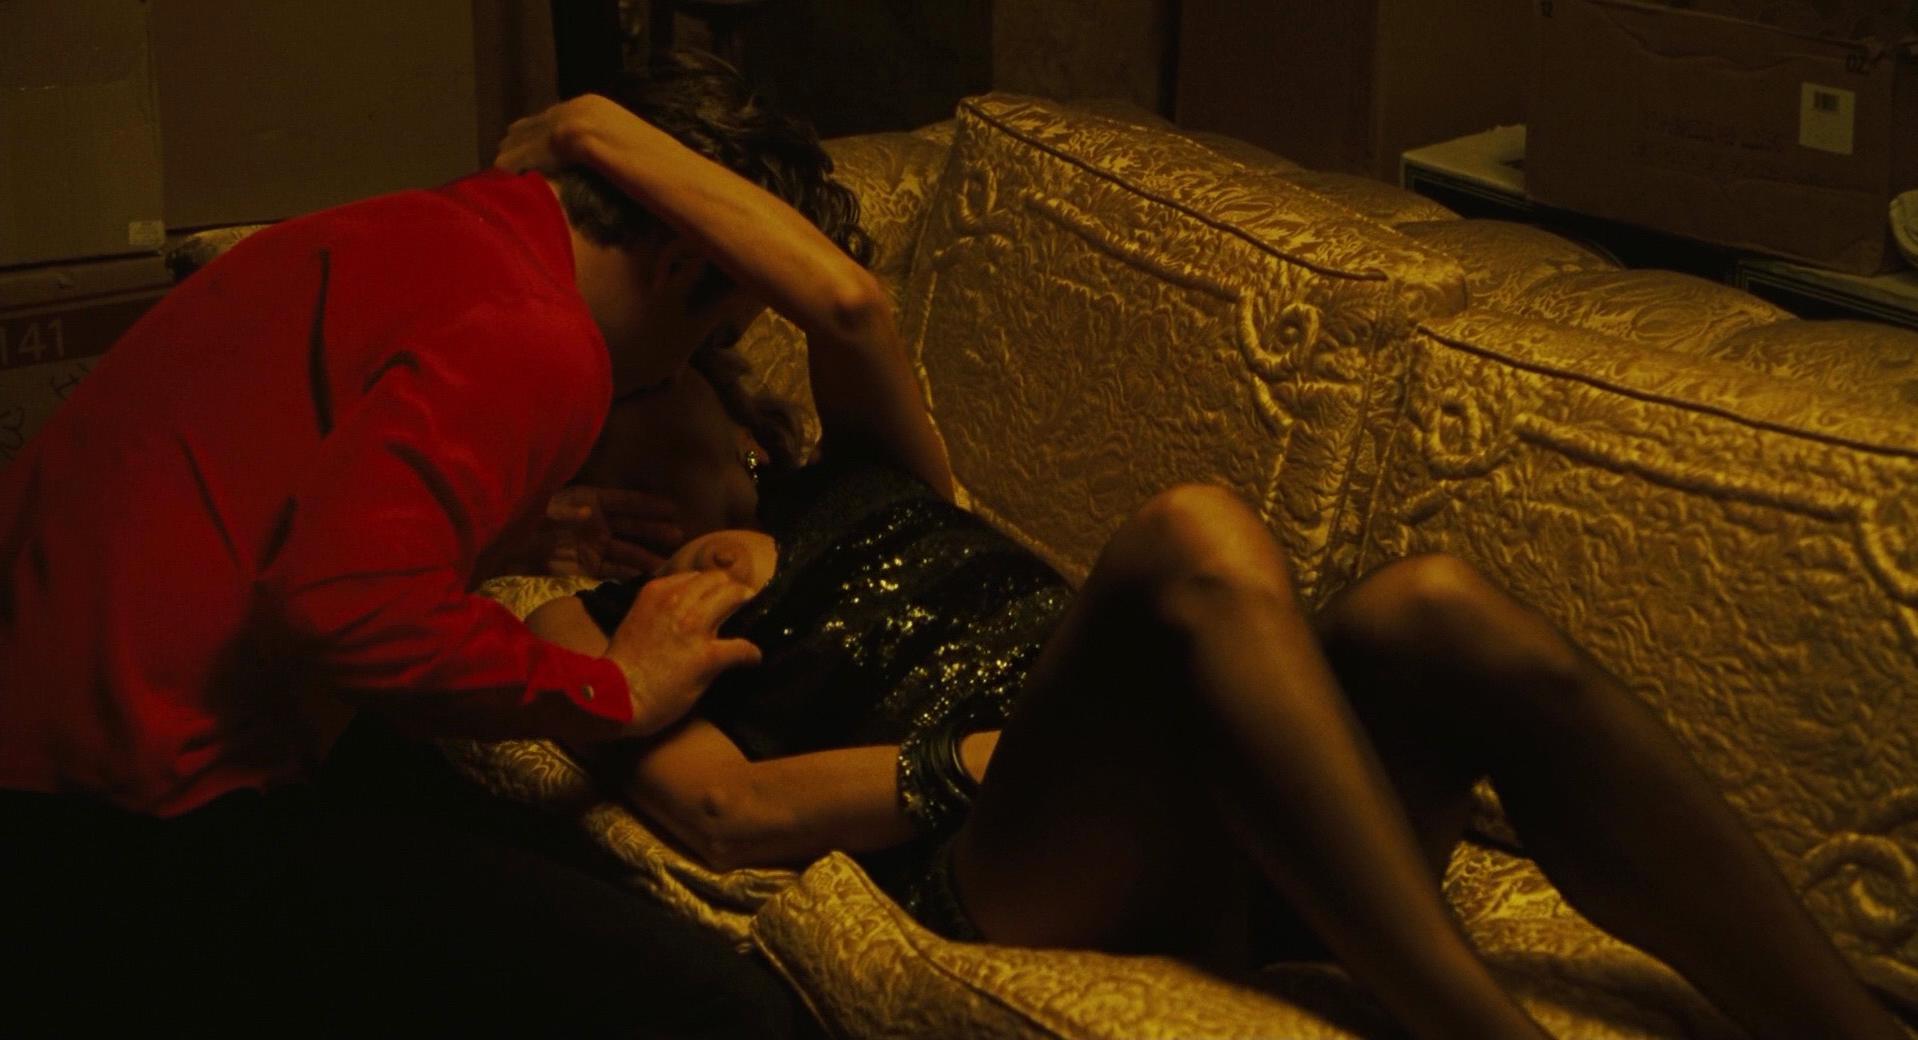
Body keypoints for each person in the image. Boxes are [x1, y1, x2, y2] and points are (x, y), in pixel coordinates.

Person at [514, 127, 1906, 1040]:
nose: (611, 433)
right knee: (1190, 536)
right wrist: (977, 760)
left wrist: (588, 132)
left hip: (1242, 817)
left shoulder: (866, 461)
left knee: (1427, 608)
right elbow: (725, 813)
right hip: (1019, 859)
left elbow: (848, 300)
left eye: (628, 389)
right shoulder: (595, 623)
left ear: (715, 381)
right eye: (570, 424)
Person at [0, 51, 908, 1037]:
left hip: (56, 722)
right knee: (732, 1010)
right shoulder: (543, 335)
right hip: (116, 816)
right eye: (716, 335)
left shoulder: (442, 227)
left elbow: (299, 486)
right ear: (681, 264)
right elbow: (340, 609)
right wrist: (614, 688)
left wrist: (509, 532)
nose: (693, 369)